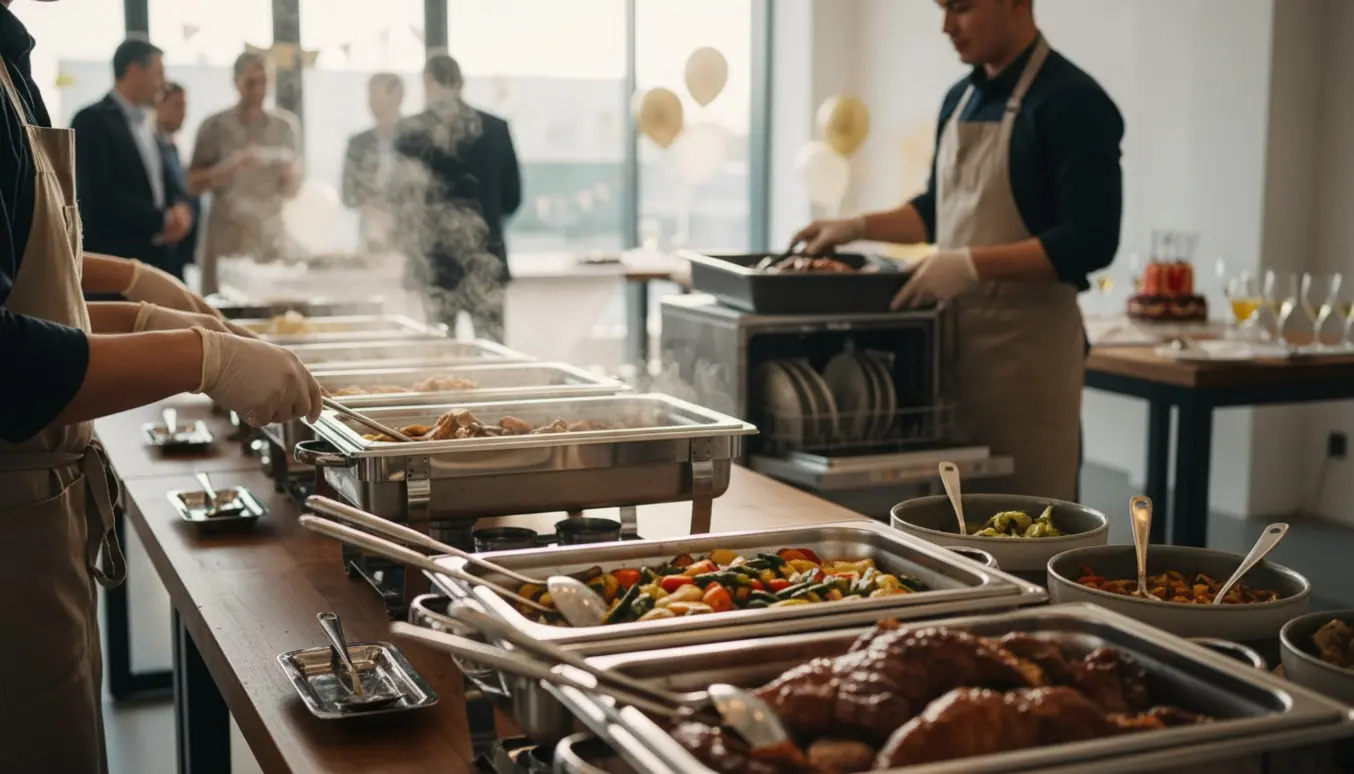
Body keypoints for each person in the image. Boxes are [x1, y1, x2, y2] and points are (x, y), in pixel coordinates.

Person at [0, 4, 322, 770]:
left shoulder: (12, 63)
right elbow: (7, 365)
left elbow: (30, 280)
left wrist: (136, 294)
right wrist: (197, 358)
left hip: (40, 514)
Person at [791, 0, 1123, 501]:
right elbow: (936, 210)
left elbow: (1091, 239)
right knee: (950, 523)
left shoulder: (1073, 102)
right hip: (953, 355)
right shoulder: (959, 99)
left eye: (962, 8)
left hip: (1028, 362)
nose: (946, 26)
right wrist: (857, 226)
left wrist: (970, 264)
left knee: (1026, 522)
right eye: (942, 8)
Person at [395, 54, 521, 342]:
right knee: (494, 355)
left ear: (426, 83)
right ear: (462, 82)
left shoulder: (410, 131)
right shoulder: (496, 128)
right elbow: (513, 198)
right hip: (486, 256)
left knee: (441, 357)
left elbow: (400, 199)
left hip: (434, 263)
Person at [70, 39, 194, 279]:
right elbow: (99, 193)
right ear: (134, 70)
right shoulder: (91, 120)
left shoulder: (150, 124)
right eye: (159, 73)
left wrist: (180, 209)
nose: (164, 83)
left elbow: (167, 181)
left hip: (160, 260)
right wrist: (162, 221)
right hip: (116, 262)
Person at [188, 51, 303, 295]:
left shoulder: (286, 127)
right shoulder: (214, 126)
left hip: (271, 243)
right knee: (222, 320)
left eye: (264, 82)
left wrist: (290, 177)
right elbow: (191, 184)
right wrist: (229, 168)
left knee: (274, 317)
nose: (258, 89)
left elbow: (294, 192)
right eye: (251, 82)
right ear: (235, 82)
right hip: (225, 242)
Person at [341, 72, 404, 253]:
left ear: (398, 98)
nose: (372, 101)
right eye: (370, 95)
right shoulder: (358, 143)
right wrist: (368, 204)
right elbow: (347, 194)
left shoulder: (416, 140)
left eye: (378, 95)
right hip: (370, 233)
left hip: (409, 233)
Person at [156, 81, 200, 280]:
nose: (183, 113)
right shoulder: (150, 146)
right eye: (177, 106)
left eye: (185, 106)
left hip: (178, 250)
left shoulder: (172, 146)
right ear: (159, 105)